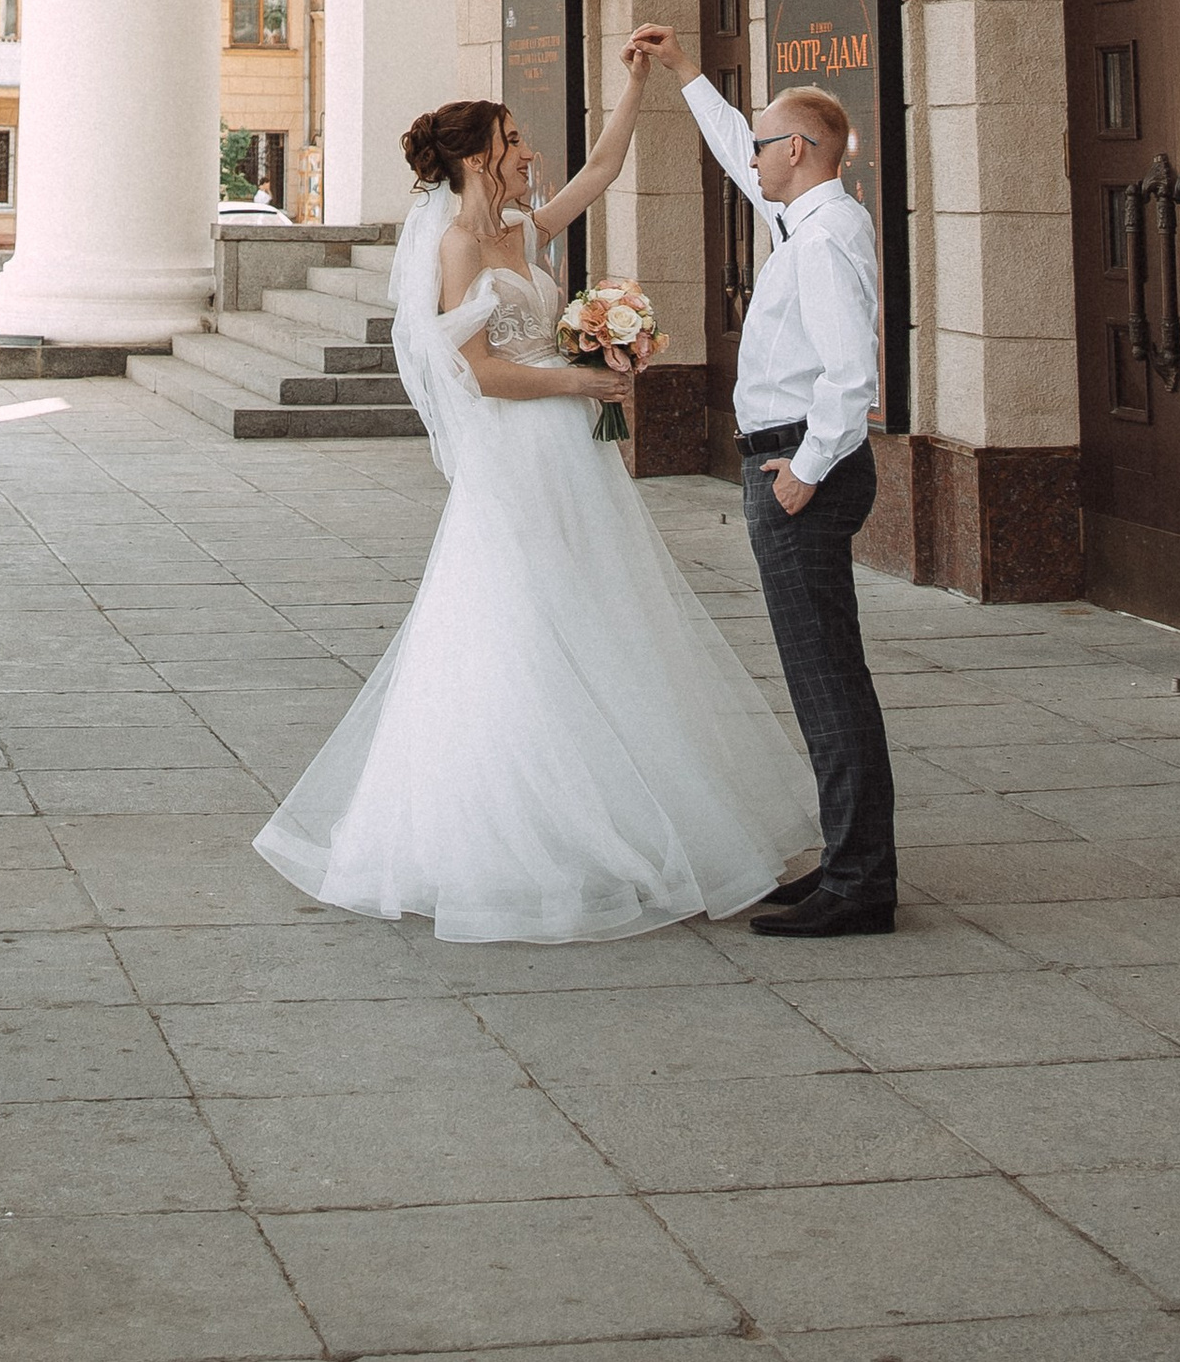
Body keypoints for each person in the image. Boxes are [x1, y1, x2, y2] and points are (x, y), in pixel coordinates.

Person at [253, 66, 821, 944]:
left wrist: (635, 81)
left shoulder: (522, 225)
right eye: (514, 141)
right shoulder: (457, 248)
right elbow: (480, 372)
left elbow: (601, 168)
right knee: (519, 621)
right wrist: (581, 377)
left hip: (569, 452)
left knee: (600, 613)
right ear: (482, 158)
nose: (528, 152)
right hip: (514, 457)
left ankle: (627, 805)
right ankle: (522, 832)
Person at [635, 23, 899, 941]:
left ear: (799, 149)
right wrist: (686, 77)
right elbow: (736, 161)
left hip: (800, 464)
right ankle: (847, 855)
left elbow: (850, 375)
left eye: (762, 140)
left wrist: (806, 473)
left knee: (828, 678)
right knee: (823, 673)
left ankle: (861, 881)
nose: (751, 155)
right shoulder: (811, 213)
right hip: (795, 456)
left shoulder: (824, 241)